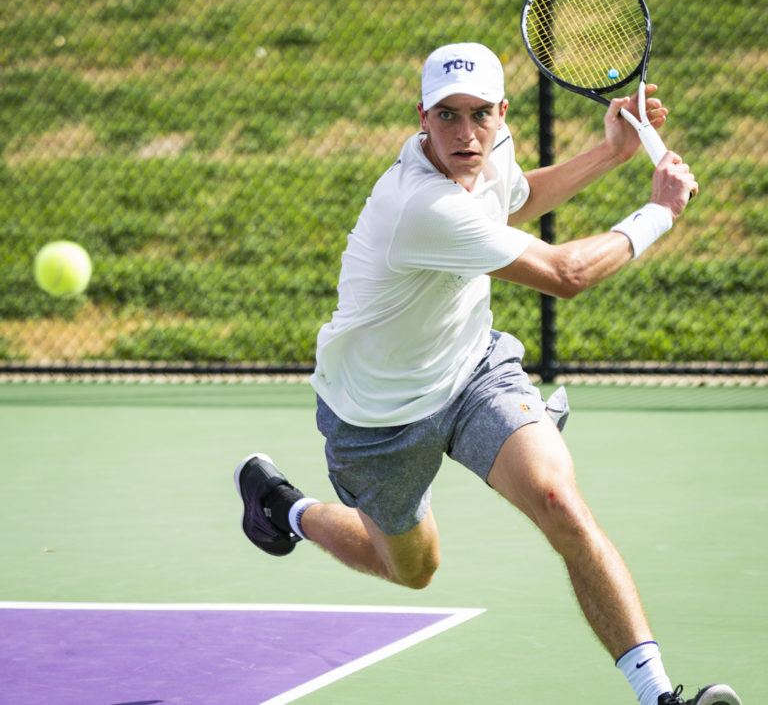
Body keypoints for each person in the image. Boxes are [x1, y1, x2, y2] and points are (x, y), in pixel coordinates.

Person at [234, 42, 741, 705]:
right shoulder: (420, 207)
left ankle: (659, 698)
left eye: (479, 114)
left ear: (504, 114)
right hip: (379, 419)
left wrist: (612, 153)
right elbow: (567, 275)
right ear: (421, 117)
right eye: (447, 115)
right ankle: (286, 509)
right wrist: (659, 213)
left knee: (559, 500)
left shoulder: (487, 155)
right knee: (411, 569)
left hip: (474, 369)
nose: (464, 133)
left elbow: (517, 196)